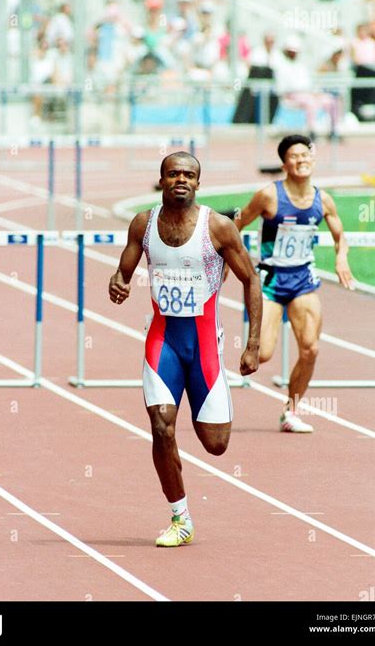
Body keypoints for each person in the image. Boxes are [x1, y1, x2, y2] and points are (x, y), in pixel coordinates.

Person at [109, 152, 262, 547]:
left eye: (189, 175)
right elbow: (122, 274)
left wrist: (253, 344)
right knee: (161, 427)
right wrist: (118, 284)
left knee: (216, 444)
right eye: (173, 173)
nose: (181, 179)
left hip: (205, 344)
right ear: (161, 180)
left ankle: (202, 406)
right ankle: (180, 518)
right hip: (163, 341)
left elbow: (252, 281)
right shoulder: (143, 225)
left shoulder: (219, 227)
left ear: (199, 183)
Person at [233, 135, 354, 434]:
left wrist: (342, 259)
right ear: (284, 163)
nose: (301, 160)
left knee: (311, 349)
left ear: (312, 159)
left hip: (302, 280)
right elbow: (236, 225)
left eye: (305, 155)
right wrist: (230, 263)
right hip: (271, 281)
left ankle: (291, 412)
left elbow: (341, 236)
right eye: (294, 156)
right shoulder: (268, 195)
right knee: (261, 355)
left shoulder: (322, 200)